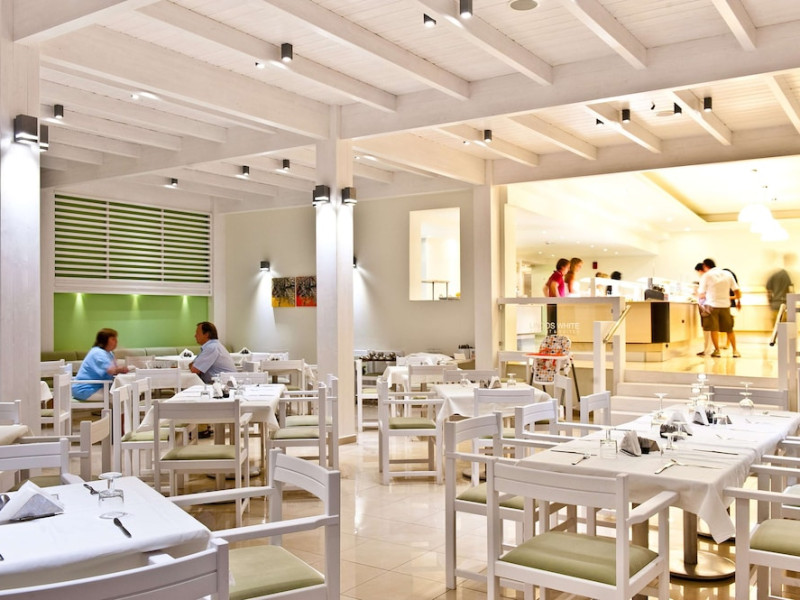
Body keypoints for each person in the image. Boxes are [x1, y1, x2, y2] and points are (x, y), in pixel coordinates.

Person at [698, 258, 741, 358]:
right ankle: (735, 351)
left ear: (705, 266)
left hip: (711, 305)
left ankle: (717, 351)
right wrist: (728, 297)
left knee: (714, 329)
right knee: (729, 329)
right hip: (725, 305)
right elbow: (738, 292)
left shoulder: (706, 276)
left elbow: (701, 294)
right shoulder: (727, 274)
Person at [72, 328, 128, 401]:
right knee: (121, 396)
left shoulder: (109, 353)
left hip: (97, 387)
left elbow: (113, 369)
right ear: (104, 340)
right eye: (113, 339)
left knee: (124, 393)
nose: (116, 341)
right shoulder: (98, 353)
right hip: (86, 390)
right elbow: (111, 370)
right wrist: (121, 369)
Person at [694, 263, 713, 356]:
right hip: (710, 305)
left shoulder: (705, 278)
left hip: (706, 306)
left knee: (707, 329)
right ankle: (708, 349)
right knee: (709, 329)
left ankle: (707, 349)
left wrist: (696, 294)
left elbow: (702, 294)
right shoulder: (710, 278)